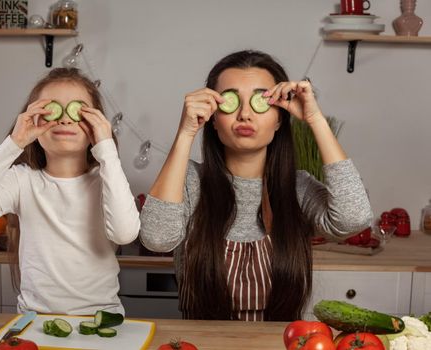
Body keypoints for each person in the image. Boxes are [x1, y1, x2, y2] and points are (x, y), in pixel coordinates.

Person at [139, 50, 373, 322]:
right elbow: (156, 238)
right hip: (202, 342)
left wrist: (314, 120)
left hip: (281, 341)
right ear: (214, 117)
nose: (245, 114)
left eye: (260, 100)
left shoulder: (297, 187)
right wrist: (186, 131)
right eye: (231, 101)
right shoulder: (190, 181)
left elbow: (353, 219)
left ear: (279, 119)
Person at [0, 68, 140, 315]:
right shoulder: (22, 181)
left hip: (102, 317)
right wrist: (14, 143)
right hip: (34, 319)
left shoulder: (107, 179)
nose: (65, 119)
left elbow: (125, 233)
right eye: (51, 110)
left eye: (78, 111)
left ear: (97, 123)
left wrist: (106, 149)